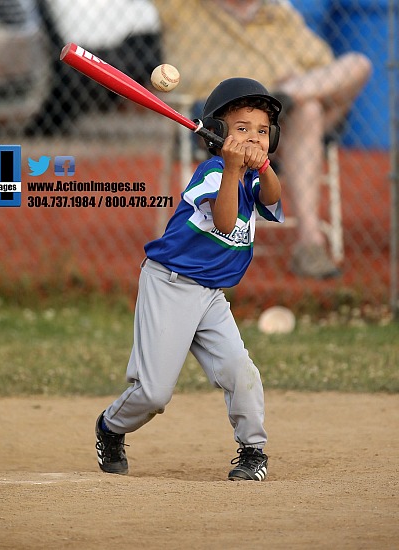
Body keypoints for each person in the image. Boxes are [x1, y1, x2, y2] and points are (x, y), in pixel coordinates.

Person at [96, 78, 284, 481]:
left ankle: (254, 451)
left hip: (211, 294)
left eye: (262, 131)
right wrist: (233, 166)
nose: (253, 138)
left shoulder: (252, 176)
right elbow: (225, 220)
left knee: (239, 368)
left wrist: (262, 165)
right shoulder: (215, 173)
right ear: (218, 135)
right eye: (242, 129)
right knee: (153, 394)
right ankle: (111, 427)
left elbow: (271, 196)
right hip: (170, 285)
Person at [153, 0, 372, 279]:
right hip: (218, 125)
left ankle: (287, 96)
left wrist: (297, 85)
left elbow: (325, 66)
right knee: (309, 109)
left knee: (355, 67)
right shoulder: (183, 6)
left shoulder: (278, 13)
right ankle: (310, 240)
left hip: (280, 124)